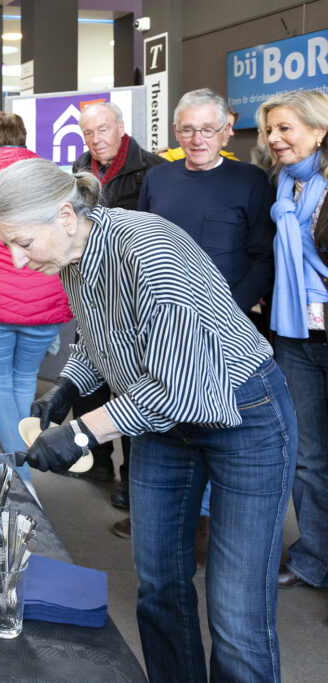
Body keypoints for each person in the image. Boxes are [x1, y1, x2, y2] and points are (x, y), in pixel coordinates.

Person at [0, 157, 294, 682]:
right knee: (159, 586)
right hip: (160, 424)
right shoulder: (74, 254)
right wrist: (70, 387)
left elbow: (178, 386)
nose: (17, 261)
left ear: (64, 214)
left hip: (244, 416)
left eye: (22, 242)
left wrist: (82, 432)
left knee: (237, 612)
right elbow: (98, 333)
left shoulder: (147, 249)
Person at [138, 88, 276, 553]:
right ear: (176, 132)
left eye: (208, 129)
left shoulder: (251, 182)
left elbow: (262, 256)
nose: (198, 139)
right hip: (161, 330)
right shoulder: (157, 180)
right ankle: (182, 515)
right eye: (189, 129)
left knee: (223, 424)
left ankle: (211, 521)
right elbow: (136, 249)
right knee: (169, 422)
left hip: (228, 332)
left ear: (226, 131)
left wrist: (229, 312)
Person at [0, 111, 71, 489]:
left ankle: (19, 474)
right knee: (24, 381)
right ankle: (21, 459)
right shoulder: (49, 180)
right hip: (45, 291)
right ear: (23, 138)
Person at [69, 101, 165, 510]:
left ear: (122, 127)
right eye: (89, 133)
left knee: (131, 385)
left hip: (132, 296)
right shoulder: (78, 170)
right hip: (90, 290)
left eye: (103, 130)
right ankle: (99, 461)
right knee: (89, 378)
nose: (96, 139)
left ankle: (130, 476)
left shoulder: (153, 170)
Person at [257, 90, 328, 592]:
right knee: (309, 457)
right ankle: (315, 559)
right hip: (295, 337)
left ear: (320, 130)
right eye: (270, 130)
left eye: (286, 128)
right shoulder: (281, 185)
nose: (275, 139)